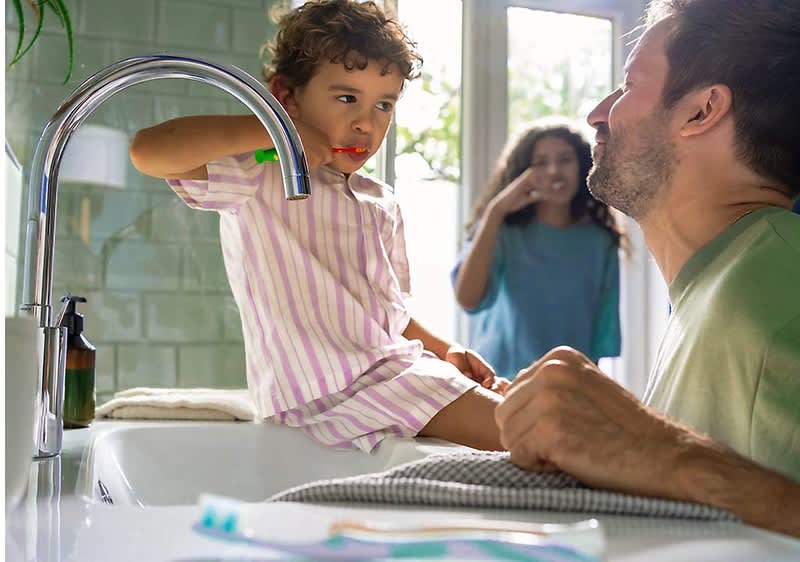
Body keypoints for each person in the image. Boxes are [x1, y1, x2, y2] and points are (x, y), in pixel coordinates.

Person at [130, 0, 507, 453]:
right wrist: (273, 130)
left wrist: (447, 352)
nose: (366, 123)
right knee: (526, 432)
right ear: (287, 97)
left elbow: (388, 316)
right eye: (347, 98)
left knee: (531, 413)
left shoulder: (379, 202)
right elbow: (148, 151)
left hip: (391, 379)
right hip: (325, 397)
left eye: (383, 105)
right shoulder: (263, 175)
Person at [495, 0, 800, 537]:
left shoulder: (782, 284)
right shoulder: (723, 284)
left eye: (629, 85)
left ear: (701, 111)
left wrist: (666, 454)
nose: (596, 114)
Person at [451, 121, 624, 379]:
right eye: (541, 162)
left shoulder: (600, 243)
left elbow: (601, 335)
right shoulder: (503, 233)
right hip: (498, 386)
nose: (554, 171)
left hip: (567, 392)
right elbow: (468, 299)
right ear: (523, 172)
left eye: (565, 159)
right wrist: (495, 212)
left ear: (582, 166)